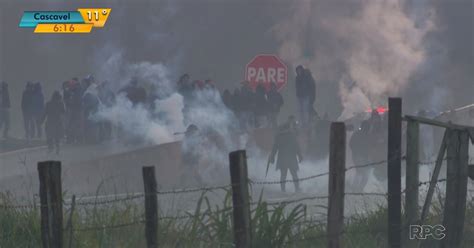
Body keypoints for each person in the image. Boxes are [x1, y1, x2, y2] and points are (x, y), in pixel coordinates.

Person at [268, 116, 302, 192]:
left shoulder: (278, 137)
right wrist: (300, 156)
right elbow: (297, 147)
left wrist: (272, 157)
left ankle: (283, 190)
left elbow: (274, 148)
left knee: (283, 175)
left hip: (282, 158)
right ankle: (297, 189)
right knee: (294, 174)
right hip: (291, 157)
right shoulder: (291, 135)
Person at [349, 120, 371, 192]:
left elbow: (351, 144)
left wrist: (355, 153)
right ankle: (359, 188)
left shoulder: (357, 134)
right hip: (361, 157)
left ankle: (356, 188)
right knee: (364, 174)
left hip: (359, 156)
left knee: (360, 172)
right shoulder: (366, 135)